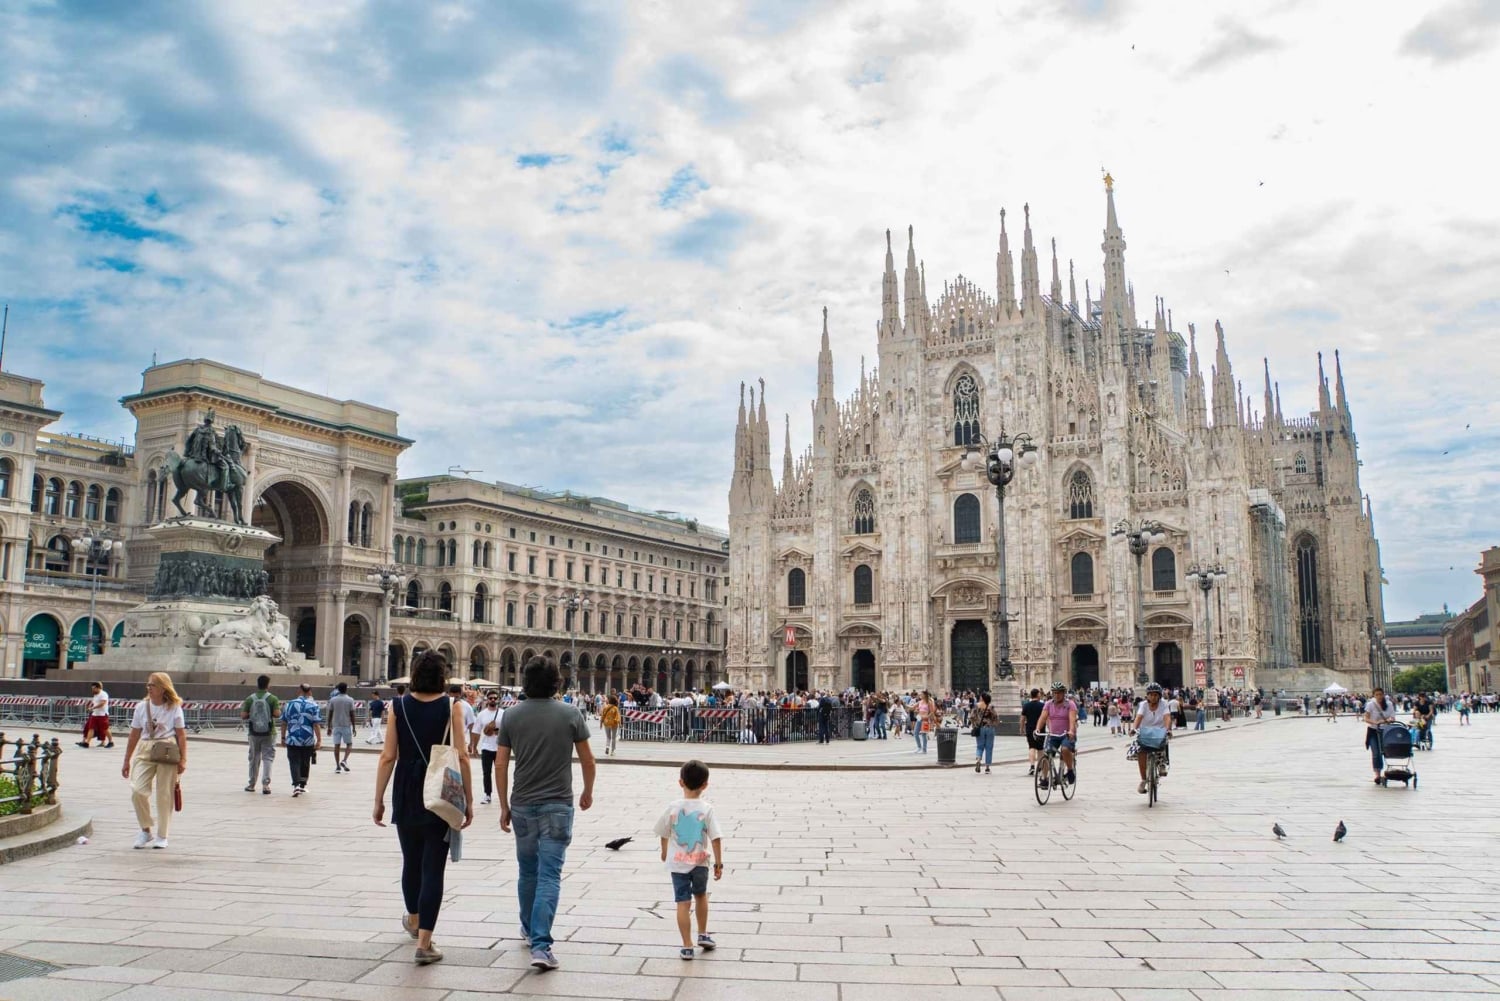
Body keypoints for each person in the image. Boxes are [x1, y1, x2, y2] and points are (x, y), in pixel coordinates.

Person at [373, 650, 474, 966]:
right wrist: (468, 800)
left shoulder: (398, 705)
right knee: (433, 868)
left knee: (410, 861)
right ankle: (425, 942)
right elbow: (463, 755)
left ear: (414, 674)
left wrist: (378, 799)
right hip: (440, 791)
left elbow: (388, 755)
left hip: (406, 788)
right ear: (442, 676)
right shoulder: (451, 705)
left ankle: (414, 919)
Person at [498, 655, 595, 972]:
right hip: (557, 804)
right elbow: (588, 760)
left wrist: (503, 804)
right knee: (549, 875)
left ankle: (527, 929)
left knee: (528, 871)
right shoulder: (570, 713)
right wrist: (587, 791)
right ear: (557, 682)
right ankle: (541, 945)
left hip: (522, 804)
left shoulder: (511, 716)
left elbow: (500, 764)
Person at [655, 759, 723, 960]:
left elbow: (663, 831)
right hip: (700, 862)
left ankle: (687, 945)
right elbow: (716, 838)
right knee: (701, 896)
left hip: (678, 863)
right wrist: (719, 863)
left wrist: (664, 851)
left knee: (682, 903)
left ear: (680, 782)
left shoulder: (673, 807)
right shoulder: (706, 809)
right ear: (705, 785)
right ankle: (703, 933)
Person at [121, 672, 186, 849]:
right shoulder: (141, 707)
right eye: (148, 684)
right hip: (145, 748)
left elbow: (181, 735)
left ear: (163, 688)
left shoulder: (174, 707)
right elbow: (134, 733)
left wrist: (183, 760)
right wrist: (127, 760)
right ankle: (145, 829)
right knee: (137, 790)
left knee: (164, 794)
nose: (149, 688)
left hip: (166, 749)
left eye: (153, 685)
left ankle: (162, 835)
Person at [241, 674, 281, 794]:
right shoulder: (273, 698)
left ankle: (251, 784)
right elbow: (277, 714)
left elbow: (243, 715)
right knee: (268, 758)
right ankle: (266, 785)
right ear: (268, 685)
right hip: (269, 732)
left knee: (254, 758)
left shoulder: (250, 698)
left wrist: (252, 715)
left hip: (253, 732)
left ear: (257, 684)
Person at [281, 683, 322, 797]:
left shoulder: (289, 704)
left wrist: (283, 737)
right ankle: (302, 785)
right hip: (307, 738)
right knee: (305, 762)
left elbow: (284, 723)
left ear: (299, 690)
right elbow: (316, 724)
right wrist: (319, 740)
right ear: (310, 692)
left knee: (294, 762)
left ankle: (296, 785)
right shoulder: (313, 705)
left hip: (293, 739)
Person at [1132, 683, 1173, 794]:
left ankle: (1163, 763)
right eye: (1151, 695)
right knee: (1141, 751)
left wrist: (1168, 729)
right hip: (1145, 731)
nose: (1153, 697)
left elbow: (1167, 717)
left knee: (1164, 741)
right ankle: (1143, 780)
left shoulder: (1164, 704)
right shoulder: (1143, 705)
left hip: (1159, 730)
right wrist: (1133, 728)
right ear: (1147, 696)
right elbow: (1138, 717)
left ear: (1159, 696)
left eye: (1156, 695)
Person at [1034, 682, 1078, 787]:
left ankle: (1070, 770)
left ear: (1064, 693)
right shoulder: (1048, 704)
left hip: (1066, 734)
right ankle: (1045, 778)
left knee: (1065, 749)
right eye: (1054, 693)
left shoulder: (1070, 704)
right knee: (1046, 754)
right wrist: (1037, 729)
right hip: (1053, 735)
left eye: (1059, 693)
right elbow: (1042, 717)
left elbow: (1072, 720)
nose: (1056, 695)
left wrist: (1071, 731)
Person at [1363, 686, 1399, 783]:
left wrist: (1388, 720)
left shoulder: (1389, 704)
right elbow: (1366, 718)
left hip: (1386, 731)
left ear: (1383, 695)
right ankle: (1377, 774)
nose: (1379, 696)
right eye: (1377, 695)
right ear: (1374, 695)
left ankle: (1384, 769)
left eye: (1380, 694)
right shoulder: (1370, 705)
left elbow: (1393, 717)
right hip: (1373, 731)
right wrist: (1375, 722)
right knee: (1376, 753)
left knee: (1385, 751)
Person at [473, 690, 503, 805]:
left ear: (498, 699)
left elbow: (508, 729)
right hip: (486, 747)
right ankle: (487, 794)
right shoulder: (482, 714)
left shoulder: (503, 713)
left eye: (495, 698)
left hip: (500, 747)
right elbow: (476, 730)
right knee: (486, 772)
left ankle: (501, 794)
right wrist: (474, 746)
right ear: (487, 699)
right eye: (491, 698)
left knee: (500, 772)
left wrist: (498, 731)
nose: (493, 700)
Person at [327, 682, 358, 772]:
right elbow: (352, 714)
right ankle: (344, 760)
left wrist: (329, 726)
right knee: (349, 744)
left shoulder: (333, 700)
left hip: (336, 725)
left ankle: (337, 766)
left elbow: (330, 714)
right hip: (346, 725)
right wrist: (354, 727)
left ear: (338, 689)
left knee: (337, 745)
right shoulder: (350, 700)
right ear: (346, 689)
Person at [78, 681, 112, 748]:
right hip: (95, 714)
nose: (92, 690)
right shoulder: (95, 695)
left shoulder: (103, 694)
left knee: (105, 729)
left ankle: (111, 742)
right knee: (91, 728)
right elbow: (95, 703)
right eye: (92, 688)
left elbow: (102, 703)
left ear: (98, 688)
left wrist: (93, 707)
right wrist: (91, 708)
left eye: (94, 688)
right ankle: (87, 743)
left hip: (102, 714)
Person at [1021, 689, 1046, 775]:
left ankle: (1032, 766)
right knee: (1040, 748)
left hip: (1030, 729)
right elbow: (1047, 717)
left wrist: (1021, 728)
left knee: (1031, 747)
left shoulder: (1026, 705)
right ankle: (1040, 767)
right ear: (1038, 695)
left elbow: (1022, 718)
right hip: (1041, 729)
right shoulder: (1043, 705)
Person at [970, 692, 997, 774]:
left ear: (982, 698)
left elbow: (971, 717)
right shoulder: (991, 706)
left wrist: (974, 724)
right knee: (989, 747)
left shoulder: (977, 706)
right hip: (989, 728)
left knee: (979, 746)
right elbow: (995, 717)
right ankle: (987, 768)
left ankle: (978, 760)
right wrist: (994, 723)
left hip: (980, 728)